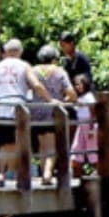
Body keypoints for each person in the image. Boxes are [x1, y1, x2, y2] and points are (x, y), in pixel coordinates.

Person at [0, 39, 50, 188]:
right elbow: (36, 84)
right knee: (18, 141)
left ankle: (1, 173)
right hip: (18, 107)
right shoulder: (24, 65)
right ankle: (18, 175)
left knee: (2, 142)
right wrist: (49, 99)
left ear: (6, 52)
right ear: (20, 52)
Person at [30, 44, 75, 184]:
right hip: (53, 111)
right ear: (54, 58)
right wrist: (64, 100)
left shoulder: (33, 70)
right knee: (51, 146)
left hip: (36, 111)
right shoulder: (59, 71)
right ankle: (48, 174)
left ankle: (44, 173)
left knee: (43, 144)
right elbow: (72, 93)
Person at [70, 74, 100, 176]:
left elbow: (93, 113)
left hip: (89, 125)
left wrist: (91, 129)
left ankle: (99, 170)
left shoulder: (89, 96)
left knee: (92, 148)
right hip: (81, 125)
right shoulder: (81, 97)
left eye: (80, 84)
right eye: (76, 85)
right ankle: (77, 172)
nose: (77, 87)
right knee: (76, 147)